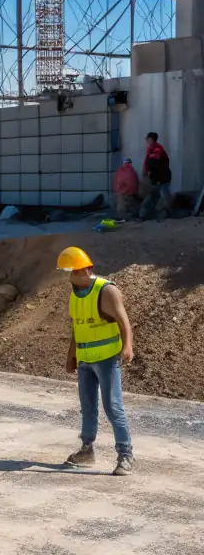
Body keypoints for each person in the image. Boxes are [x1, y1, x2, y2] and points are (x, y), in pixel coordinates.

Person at [57, 246, 135, 476]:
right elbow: (77, 327)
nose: (71, 276)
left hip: (107, 359)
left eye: (75, 271)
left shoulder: (106, 291)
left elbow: (124, 321)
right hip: (85, 360)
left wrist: (127, 345)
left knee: (113, 406)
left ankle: (125, 455)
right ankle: (87, 450)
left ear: (87, 269)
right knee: (88, 407)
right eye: (69, 271)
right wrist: (71, 355)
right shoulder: (74, 294)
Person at [139, 131, 172, 220]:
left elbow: (155, 162)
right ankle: (145, 214)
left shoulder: (157, 149)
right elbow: (149, 163)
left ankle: (165, 213)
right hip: (156, 178)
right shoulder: (151, 149)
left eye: (149, 139)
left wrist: (149, 171)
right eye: (147, 139)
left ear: (153, 139)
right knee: (154, 196)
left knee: (164, 195)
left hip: (162, 178)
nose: (147, 141)